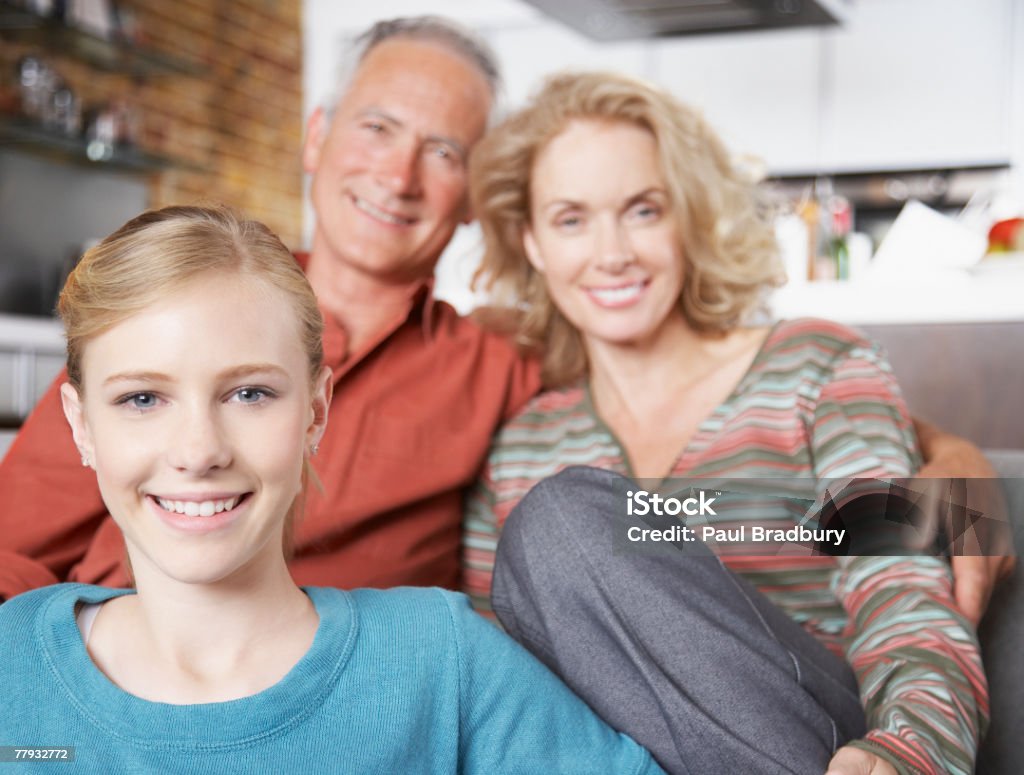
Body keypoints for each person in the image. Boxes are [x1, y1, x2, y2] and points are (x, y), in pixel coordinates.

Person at [0, 17, 1007, 619]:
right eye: (377, 128)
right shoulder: (168, 330)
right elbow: (12, 549)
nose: (397, 174)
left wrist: (961, 467)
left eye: (444, 151)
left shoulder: (501, 364)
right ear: (319, 138)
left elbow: (758, 402)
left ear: (484, 195)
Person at [0, 205, 664, 775]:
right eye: (142, 397)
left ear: (316, 412)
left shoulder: (442, 660)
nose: (198, 450)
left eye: (250, 393)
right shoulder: (10, 663)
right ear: (82, 426)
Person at [462, 72, 988, 775]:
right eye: (571, 219)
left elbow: (903, 598)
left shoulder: (818, 368)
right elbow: (498, 681)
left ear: (688, 215)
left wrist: (907, 750)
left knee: (562, 518)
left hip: (823, 742)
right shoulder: (521, 442)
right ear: (531, 242)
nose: (612, 251)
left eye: (643, 210)